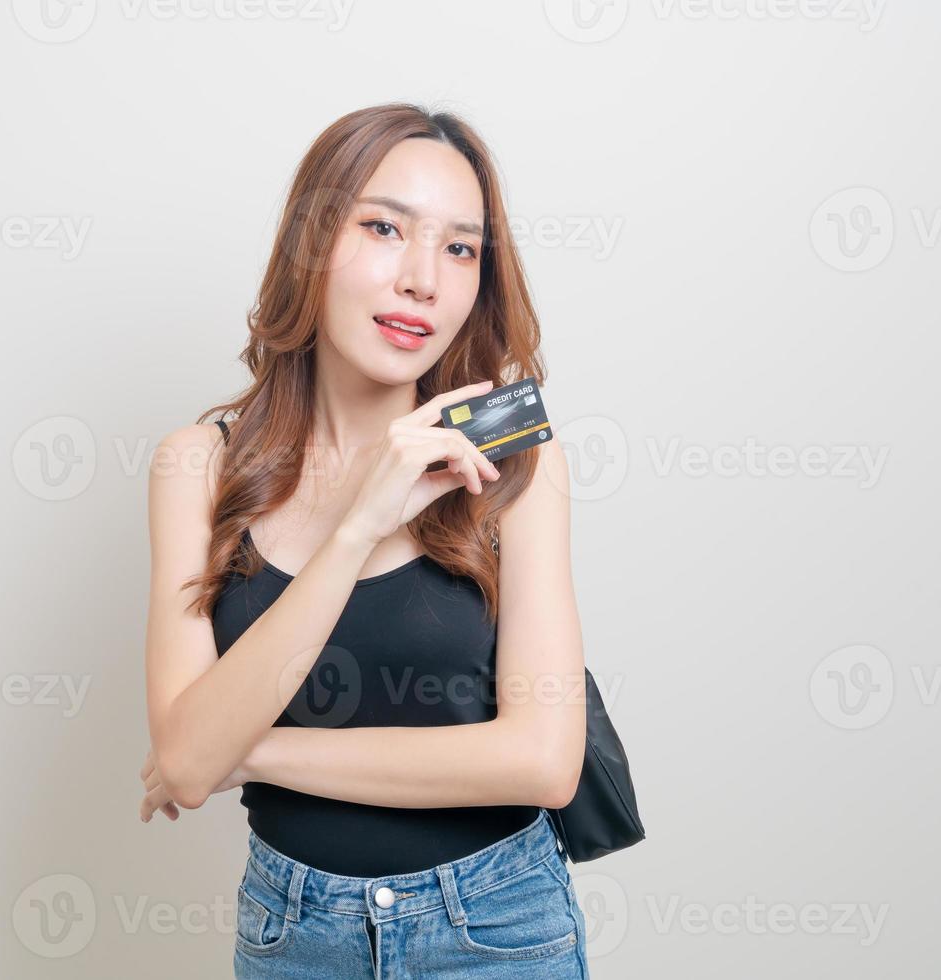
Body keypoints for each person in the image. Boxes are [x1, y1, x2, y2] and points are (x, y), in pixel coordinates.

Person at [139, 102, 590, 977]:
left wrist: (248, 749)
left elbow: (542, 761)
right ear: (311, 243)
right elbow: (188, 762)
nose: (423, 279)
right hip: (292, 934)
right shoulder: (196, 468)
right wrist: (357, 527)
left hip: (496, 927)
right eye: (385, 228)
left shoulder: (515, 461)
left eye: (460, 248)